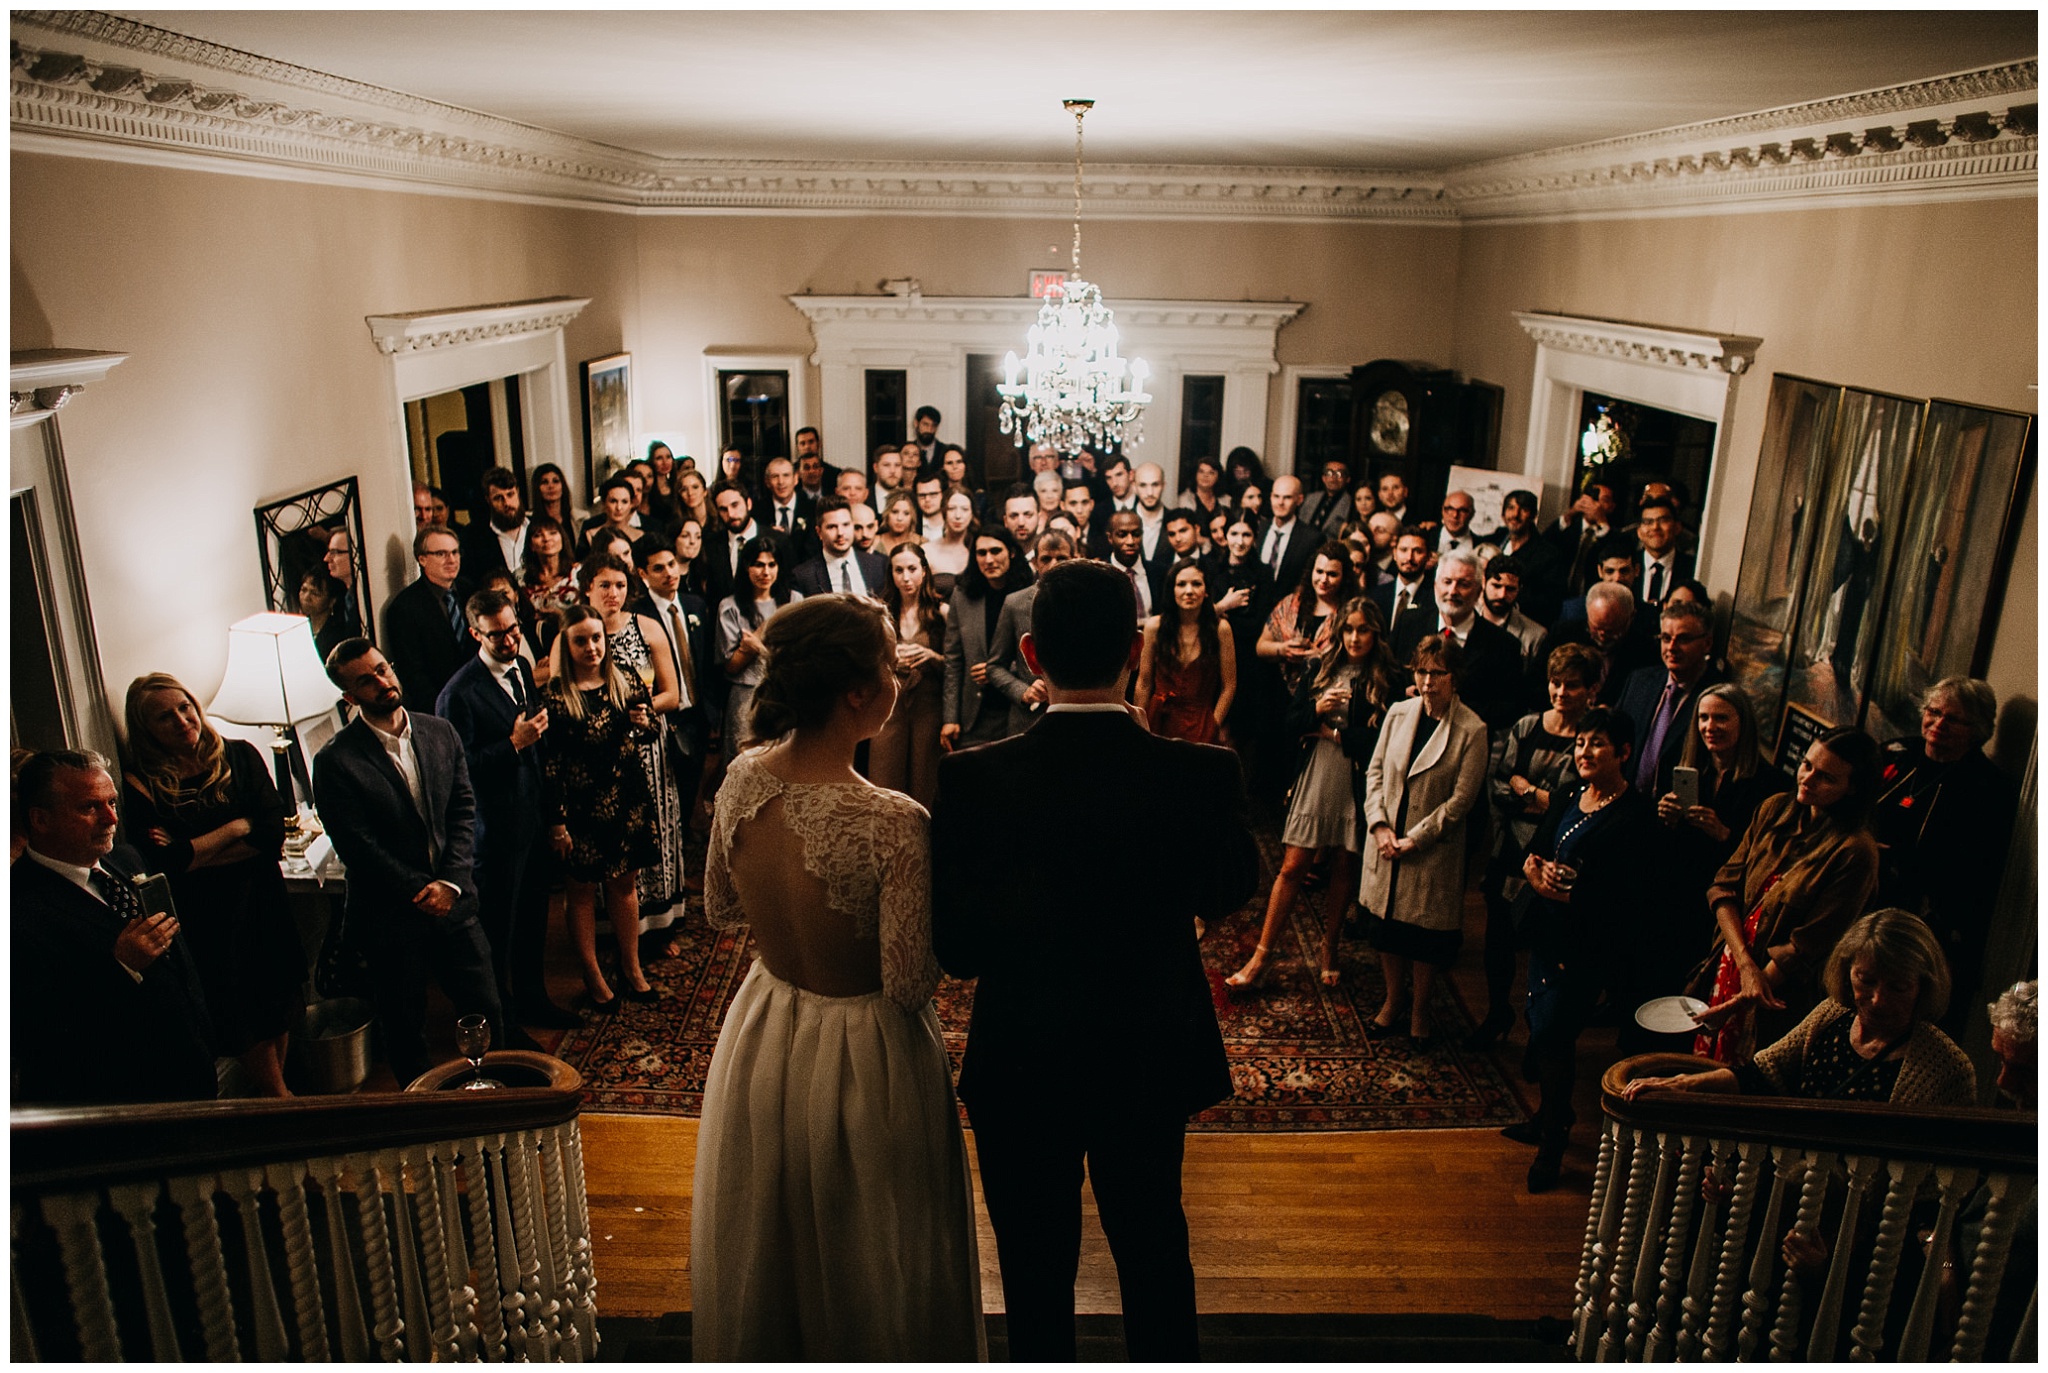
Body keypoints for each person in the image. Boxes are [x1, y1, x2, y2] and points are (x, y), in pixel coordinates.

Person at [933, 560, 1259, 1361]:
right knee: (1154, 1256)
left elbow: (959, 950)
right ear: (1133, 654)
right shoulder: (1201, 772)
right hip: (1147, 1054)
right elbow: (1227, 890)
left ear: (1034, 655)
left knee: (1034, 1277)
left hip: (1023, 1059)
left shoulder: (975, 778)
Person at [692, 594, 983, 1359]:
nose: (902, 677)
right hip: (865, 1053)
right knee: (872, 1244)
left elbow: (721, 909)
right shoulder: (893, 821)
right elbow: (908, 982)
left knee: (772, 1227)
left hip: (766, 1027)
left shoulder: (741, 780)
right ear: (857, 690)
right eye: (892, 664)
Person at [313, 639, 506, 1085]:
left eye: (383, 669)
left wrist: (452, 883)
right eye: (367, 680)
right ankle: (425, 1119)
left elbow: (462, 808)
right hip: (392, 917)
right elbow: (357, 845)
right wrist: (421, 890)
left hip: (455, 903)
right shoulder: (335, 761)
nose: (383, 682)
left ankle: (496, 1104)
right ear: (349, 697)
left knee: (487, 1008)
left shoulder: (439, 731)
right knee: (404, 1028)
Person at [118, 674, 300, 1096]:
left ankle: (278, 1094)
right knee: (237, 1010)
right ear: (146, 730)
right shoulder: (140, 783)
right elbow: (168, 865)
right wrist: (237, 825)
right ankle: (280, 1101)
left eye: (185, 707)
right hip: (209, 916)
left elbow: (271, 833)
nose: (182, 720)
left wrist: (195, 848)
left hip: (262, 898)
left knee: (278, 1000)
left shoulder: (239, 755)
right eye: (165, 717)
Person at [1507, 706, 1658, 1191]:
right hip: (1548, 932)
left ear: (1624, 752)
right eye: (1580, 743)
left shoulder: (1634, 817)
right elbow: (1539, 847)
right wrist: (1535, 873)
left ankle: (1554, 1138)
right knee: (1537, 1021)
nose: (1585, 752)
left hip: (1586, 943)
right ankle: (1549, 1115)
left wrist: (1562, 893)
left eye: (1596, 744)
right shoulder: (1572, 794)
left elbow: (1624, 897)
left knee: (1553, 1036)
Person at [14, 749, 217, 1104]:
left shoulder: (126, 858)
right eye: (89, 807)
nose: (110, 818)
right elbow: (37, 1036)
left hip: (190, 1072)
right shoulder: (17, 910)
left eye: (111, 802)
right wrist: (120, 968)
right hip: (120, 1100)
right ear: (40, 819)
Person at [1626, 908, 1975, 1107]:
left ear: (1924, 986)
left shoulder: (1946, 1066)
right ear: (1845, 971)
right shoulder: (1832, 1016)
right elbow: (1760, 1073)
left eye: (1898, 987)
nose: (1877, 999)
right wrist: (1680, 1084)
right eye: (1865, 981)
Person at [1228, 596, 1396, 990]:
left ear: (1376, 632)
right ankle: (1261, 956)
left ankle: (1330, 947)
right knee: (1292, 866)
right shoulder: (1320, 667)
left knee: (1342, 866)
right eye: (1349, 629)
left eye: (1363, 630)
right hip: (1317, 771)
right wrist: (1317, 710)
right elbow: (1290, 721)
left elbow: (1384, 741)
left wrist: (1338, 733)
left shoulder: (1388, 676)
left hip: (1357, 777)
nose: (1355, 638)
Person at [1690, 726, 1882, 1062]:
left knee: (1747, 1079)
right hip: (1734, 962)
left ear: (1852, 788)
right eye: (1806, 765)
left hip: (1776, 991)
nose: (1807, 779)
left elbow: (1805, 947)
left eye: (1826, 778)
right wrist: (1743, 963)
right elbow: (1723, 888)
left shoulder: (1855, 851)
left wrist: (1745, 995)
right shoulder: (1775, 809)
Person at [436, 591, 571, 1035]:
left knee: (534, 921)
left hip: (530, 820)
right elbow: (458, 772)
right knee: (499, 932)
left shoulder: (522, 670)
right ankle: (504, 1023)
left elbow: (540, 750)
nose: (511, 640)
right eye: (499, 635)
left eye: (514, 629)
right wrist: (512, 744)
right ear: (476, 633)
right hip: (493, 834)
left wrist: (553, 816)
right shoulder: (458, 694)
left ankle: (535, 999)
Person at [1468, 643, 1605, 1046]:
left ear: (1590, 690)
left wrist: (1529, 792)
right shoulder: (1527, 726)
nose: (1561, 693)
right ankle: (1497, 1013)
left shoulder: (1590, 738)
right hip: (1509, 850)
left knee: (1547, 950)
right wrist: (1539, 797)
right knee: (1498, 942)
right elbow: (1498, 782)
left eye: (1572, 686)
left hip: (1558, 856)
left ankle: (1543, 1035)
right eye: (1555, 684)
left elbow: (1574, 803)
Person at [1359, 633, 1489, 1050]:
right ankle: (1393, 1001)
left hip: (1431, 851)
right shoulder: (1399, 712)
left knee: (1423, 938)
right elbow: (1375, 772)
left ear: (1456, 677)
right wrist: (1379, 827)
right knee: (1387, 931)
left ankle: (1420, 1012)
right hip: (1385, 843)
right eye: (1422, 671)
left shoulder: (1472, 729)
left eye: (1438, 673)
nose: (1429, 682)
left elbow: (1460, 802)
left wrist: (1414, 840)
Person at [1870, 676, 2017, 1035]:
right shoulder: (1895, 755)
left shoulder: (1989, 789)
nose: (1938, 725)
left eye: (1953, 719)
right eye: (1933, 712)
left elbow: (1971, 875)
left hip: (1921, 927)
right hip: (1861, 899)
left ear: (1978, 729)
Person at [538, 605, 661, 1012]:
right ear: (565, 644)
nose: (591, 647)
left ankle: (631, 966)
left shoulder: (624, 677)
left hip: (627, 797)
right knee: (583, 892)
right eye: (580, 640)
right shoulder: (555, 697)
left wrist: (645, 723)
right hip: (581, 808)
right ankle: (591, 973)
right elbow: (551, 765)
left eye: (597, 638)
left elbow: (652, 729)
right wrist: (557, 822)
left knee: (625, 886)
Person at [1643, 684, 1788, 1026]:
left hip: (1723, 906)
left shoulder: (1769, 784)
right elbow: (1657, 841)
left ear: (1743, 723)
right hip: (1675, 893)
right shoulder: (1685, 768)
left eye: (1721, 718)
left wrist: (1724, 834)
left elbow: (1767, 859)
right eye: (1704, 718)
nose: (1710, 727)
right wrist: (1664, 816)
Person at [583, 553, 687, 929]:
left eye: (621, 585)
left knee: (653, 830)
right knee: (609, 843)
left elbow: (672, 694)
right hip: (599, 753)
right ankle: (616, 929)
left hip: (645, 749)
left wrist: (646, 707)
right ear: (588, 588)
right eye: (605, 585)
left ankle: (658, 922)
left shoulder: (647, 627)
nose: (614, 593)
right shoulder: (578, 632)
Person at [1615, 598, 1725, 797]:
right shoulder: (1639, 681)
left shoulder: (1719, 697)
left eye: (1683, 639)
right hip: (1624, 804)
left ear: (1707, 643)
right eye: (1666, 638)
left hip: (1675, 815)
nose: (1672, 647)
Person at [870, 542, 947, 807]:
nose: (905, 577)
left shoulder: (940, 612)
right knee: (884, 780)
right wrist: (890, 660)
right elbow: (867, 663)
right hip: (889, 707)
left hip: (927, 705)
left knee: (924, 781)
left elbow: (957, 666)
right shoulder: (881, 613)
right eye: (898, 570)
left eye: (912, 569)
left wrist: (933, 657)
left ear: (924, 571)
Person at [941, 527, 1030, 753]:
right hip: (976, 711)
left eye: (995, 551)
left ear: (1011, 552)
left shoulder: (1029, 592)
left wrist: (997, 670)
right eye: (981, 553)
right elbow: (953, 660)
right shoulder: (963, 594)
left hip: (1020, 706)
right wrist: (950, 717)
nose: (988, 559)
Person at [983, 530, 1076, 737]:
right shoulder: (1015, 604)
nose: (1054, 565)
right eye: (1046, 559)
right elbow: (995, 667)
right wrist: (1023, 691)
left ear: (1074, 559)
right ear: (1035, 562)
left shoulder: (1089, 603)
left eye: (1061, 558)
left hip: (1076, 718)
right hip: (1028, 722)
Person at [717, 535, 803, 758]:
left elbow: (798, 657)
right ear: (746, 566)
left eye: (771, 565)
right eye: (758, 564)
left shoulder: (794, 600)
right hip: (746, 696)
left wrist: (756, 645)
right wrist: (757, 647)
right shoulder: (730, 606)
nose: (765, 572)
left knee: (785, 762)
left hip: (785, 693)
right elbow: (732, 666)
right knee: (744, 762)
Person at [1135, 559, 1236, 744]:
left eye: (1196, 584)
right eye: (1181, 584)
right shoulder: (1154, 626)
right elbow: (1144, 682)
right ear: (1171, 589)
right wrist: (1139, 729)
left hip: (1201, 722)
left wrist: (1213, 724)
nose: (1189, 591)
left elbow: (1229, 686)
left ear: (1206, 591)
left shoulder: (1221, 629)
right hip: (1158, 720)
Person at [382, 523, 473, 714]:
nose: (452, 560)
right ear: (422, 559)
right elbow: (414, 676)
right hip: (440, 708)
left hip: (480, 699)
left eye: (455, 552)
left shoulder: (470, 590)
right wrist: (445, 711)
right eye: (441, 554)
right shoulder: (404, 609)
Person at [1258, 542, 1361, 700]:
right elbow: (1261, 646)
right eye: (1319, 571)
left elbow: (1359, 660)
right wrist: (1282, 649)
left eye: (1332, 574)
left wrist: (1321, 658)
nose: (1323, 579)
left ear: (1344, 577)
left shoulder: (1352, 612)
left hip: (1327, 697)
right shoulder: (1291, 603)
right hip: (1279, 695)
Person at [791, 496, 889, 599]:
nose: (840, 533)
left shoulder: (879, 565)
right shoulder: (804, 576)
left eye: (846, 525)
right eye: (832, 527)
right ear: (819, 532)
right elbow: (797, 615)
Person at [518, 513, 577, 664]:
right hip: (534, 649)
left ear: (562, 538)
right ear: (530, 545)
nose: (547, 538)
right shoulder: (520, 579)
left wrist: (561, 617)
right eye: (538, 535)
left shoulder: (578, 574)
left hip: (573, 644)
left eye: (553, 533)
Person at [296, 568, 359, 663]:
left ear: (332, 601)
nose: (306, 597)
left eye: (315, 593)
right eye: (304, 590)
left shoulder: (339, 634)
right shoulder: (298, 629)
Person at [924, 487, 977, 595]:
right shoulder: (927, 550)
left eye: (965, 509)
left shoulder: (979, 551)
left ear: (972, 514)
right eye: (952, 509)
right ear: (944, 511)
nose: (958, 516)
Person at [1177, 454, 1231, 526]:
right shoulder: (1185, 499)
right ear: (1195, 475)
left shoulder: (1227, 500)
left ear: (1218, 477)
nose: (1205, 476)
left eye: (1211, 473)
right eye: (1201, 471)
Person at [530, 462, 582, 531]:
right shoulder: (529, 522)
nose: (551, 486)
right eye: (544, 482)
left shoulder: (580, 519)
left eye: (555, 481)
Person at [877, 489, 922, 556]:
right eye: (894, 512)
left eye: (906, 513)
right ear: (887, 514)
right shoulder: (874, 542)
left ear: (913, 517)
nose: (899, 518)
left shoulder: (923, 544)